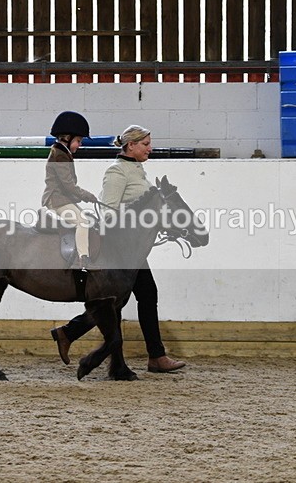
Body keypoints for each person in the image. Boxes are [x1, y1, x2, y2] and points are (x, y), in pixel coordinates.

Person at [50, 125, 187, 373]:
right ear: (130, 145)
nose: (150, 148)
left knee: (136, 298)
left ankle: (73, 334)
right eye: (145, 144)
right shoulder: (117, 172)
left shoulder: (138, 170)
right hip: (118, 249)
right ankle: (149, 357)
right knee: (119, 301)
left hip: (132, 250)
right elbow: (108, 212)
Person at [41, 111, 98, 271]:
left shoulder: (62, 152)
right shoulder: (60, 155)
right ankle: (83, 260)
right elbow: (69, 185)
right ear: (67, 137)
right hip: (57, 200)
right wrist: (87, 196)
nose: (79, 145)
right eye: (78, 141)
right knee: (83, 222)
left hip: (63, 199)